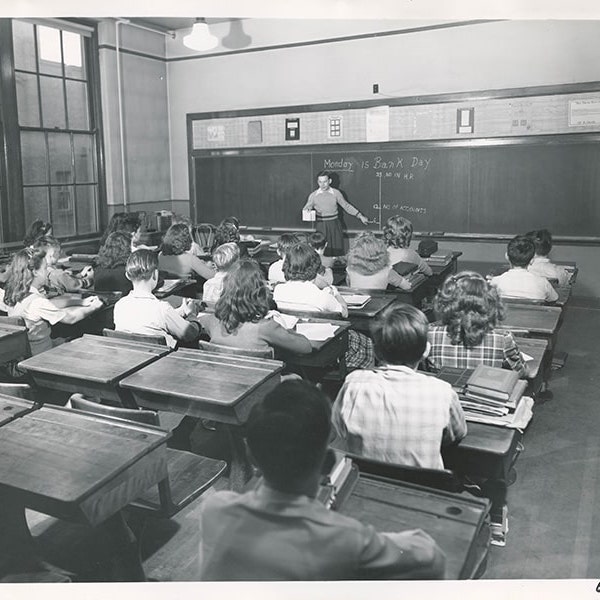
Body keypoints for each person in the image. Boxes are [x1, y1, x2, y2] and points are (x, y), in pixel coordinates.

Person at [199, 379, 446, 580]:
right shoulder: (345, 538)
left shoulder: (215, 509)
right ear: (327, 460)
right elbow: (432, 558)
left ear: (251, 455)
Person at [332, 303, 467, 469]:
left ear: (376, 352)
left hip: (366, 477)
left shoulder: (353, 383)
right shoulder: (442, 392)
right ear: (426, 351)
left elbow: (340, 428)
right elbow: (456, 435)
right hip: (426, 486)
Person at [273, 243, 374, 371]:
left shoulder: (279, 290)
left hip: (292, 343)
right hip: (324, 346)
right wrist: (333, 291)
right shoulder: (322, 296)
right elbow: (344, 313)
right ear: (314, 266)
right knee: (367, 343)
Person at [197, 259, 312, 356]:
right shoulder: (267, 327)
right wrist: (289, 331)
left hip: (222, 379)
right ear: (259, 291)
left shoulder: (212, 321)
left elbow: (196, 322)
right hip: (263, 381)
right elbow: (306, 347)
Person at [427, 271, 529, 377]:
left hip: (445, 392)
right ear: (489, 303)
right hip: (485, 392)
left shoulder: (430, 334)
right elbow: (521, 373)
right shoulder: (503, 339)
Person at [3, 248, 103, 355]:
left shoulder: (16, 294)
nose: (47, 272)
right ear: (35, 272)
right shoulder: (37, 302)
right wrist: (94, 307)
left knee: (68, 339)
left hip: (31, 351)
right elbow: (71, 318)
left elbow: (51, 305)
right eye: (45, 268)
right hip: (41, 356)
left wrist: (80, 302)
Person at [113, 249, 200, 349]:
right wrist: (192, 315)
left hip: (132, 359)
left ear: (127, 275)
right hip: (166, 361)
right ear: (155, 274)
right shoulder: (162, 309)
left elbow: (145, 317)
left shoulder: (120, 305)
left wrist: (181, 311)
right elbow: (190, 334)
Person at [303, 170, 369, 256]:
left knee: (336, 250)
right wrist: (307, 210)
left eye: (325, 182)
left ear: (330, 181)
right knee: (322, 250)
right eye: (320, 182)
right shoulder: (313, 195)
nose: (322, 185)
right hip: (321, 225)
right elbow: (306, 208)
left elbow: (346, 206)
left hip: (335, 224)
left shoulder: (336, 193)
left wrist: (360, 216)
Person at [490, 235, 558, 302]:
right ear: (532, 260)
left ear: (507, 256)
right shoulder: (543, 283)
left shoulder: (496, 282)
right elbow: (554, 299)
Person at [346, 231, 412, 290]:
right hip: (380, 302)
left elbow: (349, 286)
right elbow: (407, 286)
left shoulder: (350, 269)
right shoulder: (387, 271)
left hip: (357, 302)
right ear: (380, 252)